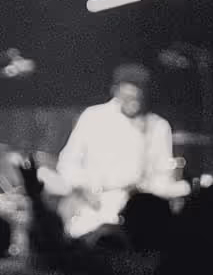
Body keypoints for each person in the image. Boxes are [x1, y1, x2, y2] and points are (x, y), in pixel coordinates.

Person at [54, 62, 181, 236]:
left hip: (136, 215)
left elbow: (163, 176)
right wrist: (83, 187)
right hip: (92, 209)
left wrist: (150, 192)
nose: (134, 102)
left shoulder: (158, 126)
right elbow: (67, 162)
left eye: (138, 97)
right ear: (116, 90)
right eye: (128, 96)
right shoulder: (93, 117)